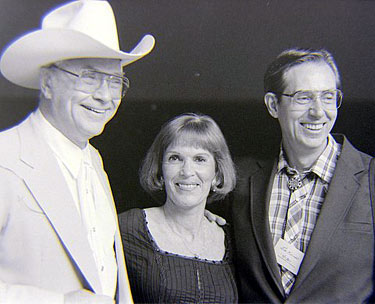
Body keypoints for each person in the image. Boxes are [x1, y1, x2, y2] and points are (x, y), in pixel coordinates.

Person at [0, 1, 155, 303]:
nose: (104, 96)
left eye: (114, 81)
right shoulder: (4, 156)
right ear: (47, 82)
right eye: (89, 77)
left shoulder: (93, 160)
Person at [228, 48, 374, 303]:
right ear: (273, 105)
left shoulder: (371, 178)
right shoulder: (240, 180)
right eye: (304, 98)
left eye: (328, 97)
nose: (318, 112)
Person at [119, 113, 238, 303]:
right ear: (160, 169)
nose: (187, 172)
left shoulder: (234, 240)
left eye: (200, 159)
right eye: (175, 158)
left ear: (216, 173)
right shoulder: (127, 229)